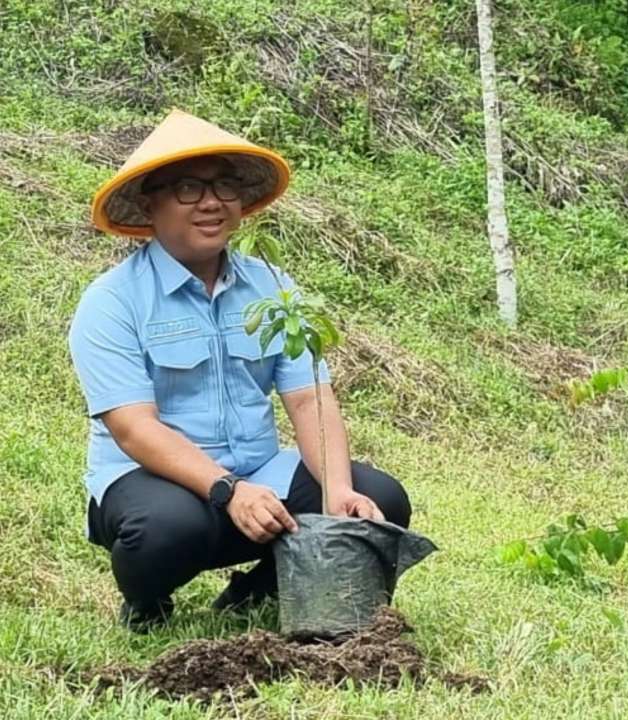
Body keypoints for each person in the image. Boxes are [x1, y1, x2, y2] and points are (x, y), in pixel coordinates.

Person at [70, 109, 412, 631]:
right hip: (158, 484)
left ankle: (253, 594)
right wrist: (228, 491)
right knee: (162, 530)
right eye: (187, 188)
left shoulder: (271, 287)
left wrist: (338, 490)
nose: (210, 202)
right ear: (149, 202)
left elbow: (309, 397)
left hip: (259, 474)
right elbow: (134, 428)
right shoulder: (112, 301)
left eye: (224, 185)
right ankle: (147, 600)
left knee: (380, 499)